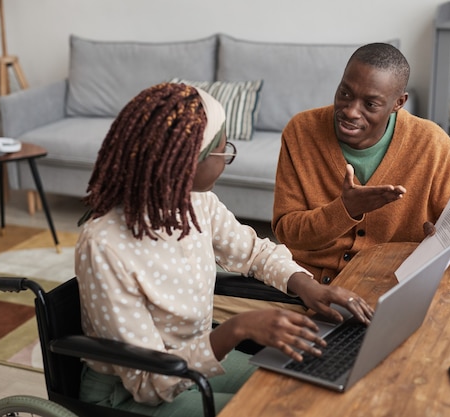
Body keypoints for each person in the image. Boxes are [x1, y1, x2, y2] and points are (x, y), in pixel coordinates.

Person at [75, 82, 374, 416]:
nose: (228, 159)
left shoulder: (196, 203)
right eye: (223, 150)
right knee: (279, 410)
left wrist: (307, 286)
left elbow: (255, 252)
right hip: (132, 393)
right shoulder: (104, 245)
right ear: (186, 164)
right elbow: (149, 383)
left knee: (306, 388)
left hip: (198, 360)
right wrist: (238, 328)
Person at [273, 42, 450, 284]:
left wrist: (444, 246)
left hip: (388, 285)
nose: (351, 111)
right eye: (344, 93)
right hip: (309, 285)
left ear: (398, 103)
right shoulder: (301, 132)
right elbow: (287, 231)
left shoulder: (432, 145)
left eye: (370, 104)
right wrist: (344, 210)